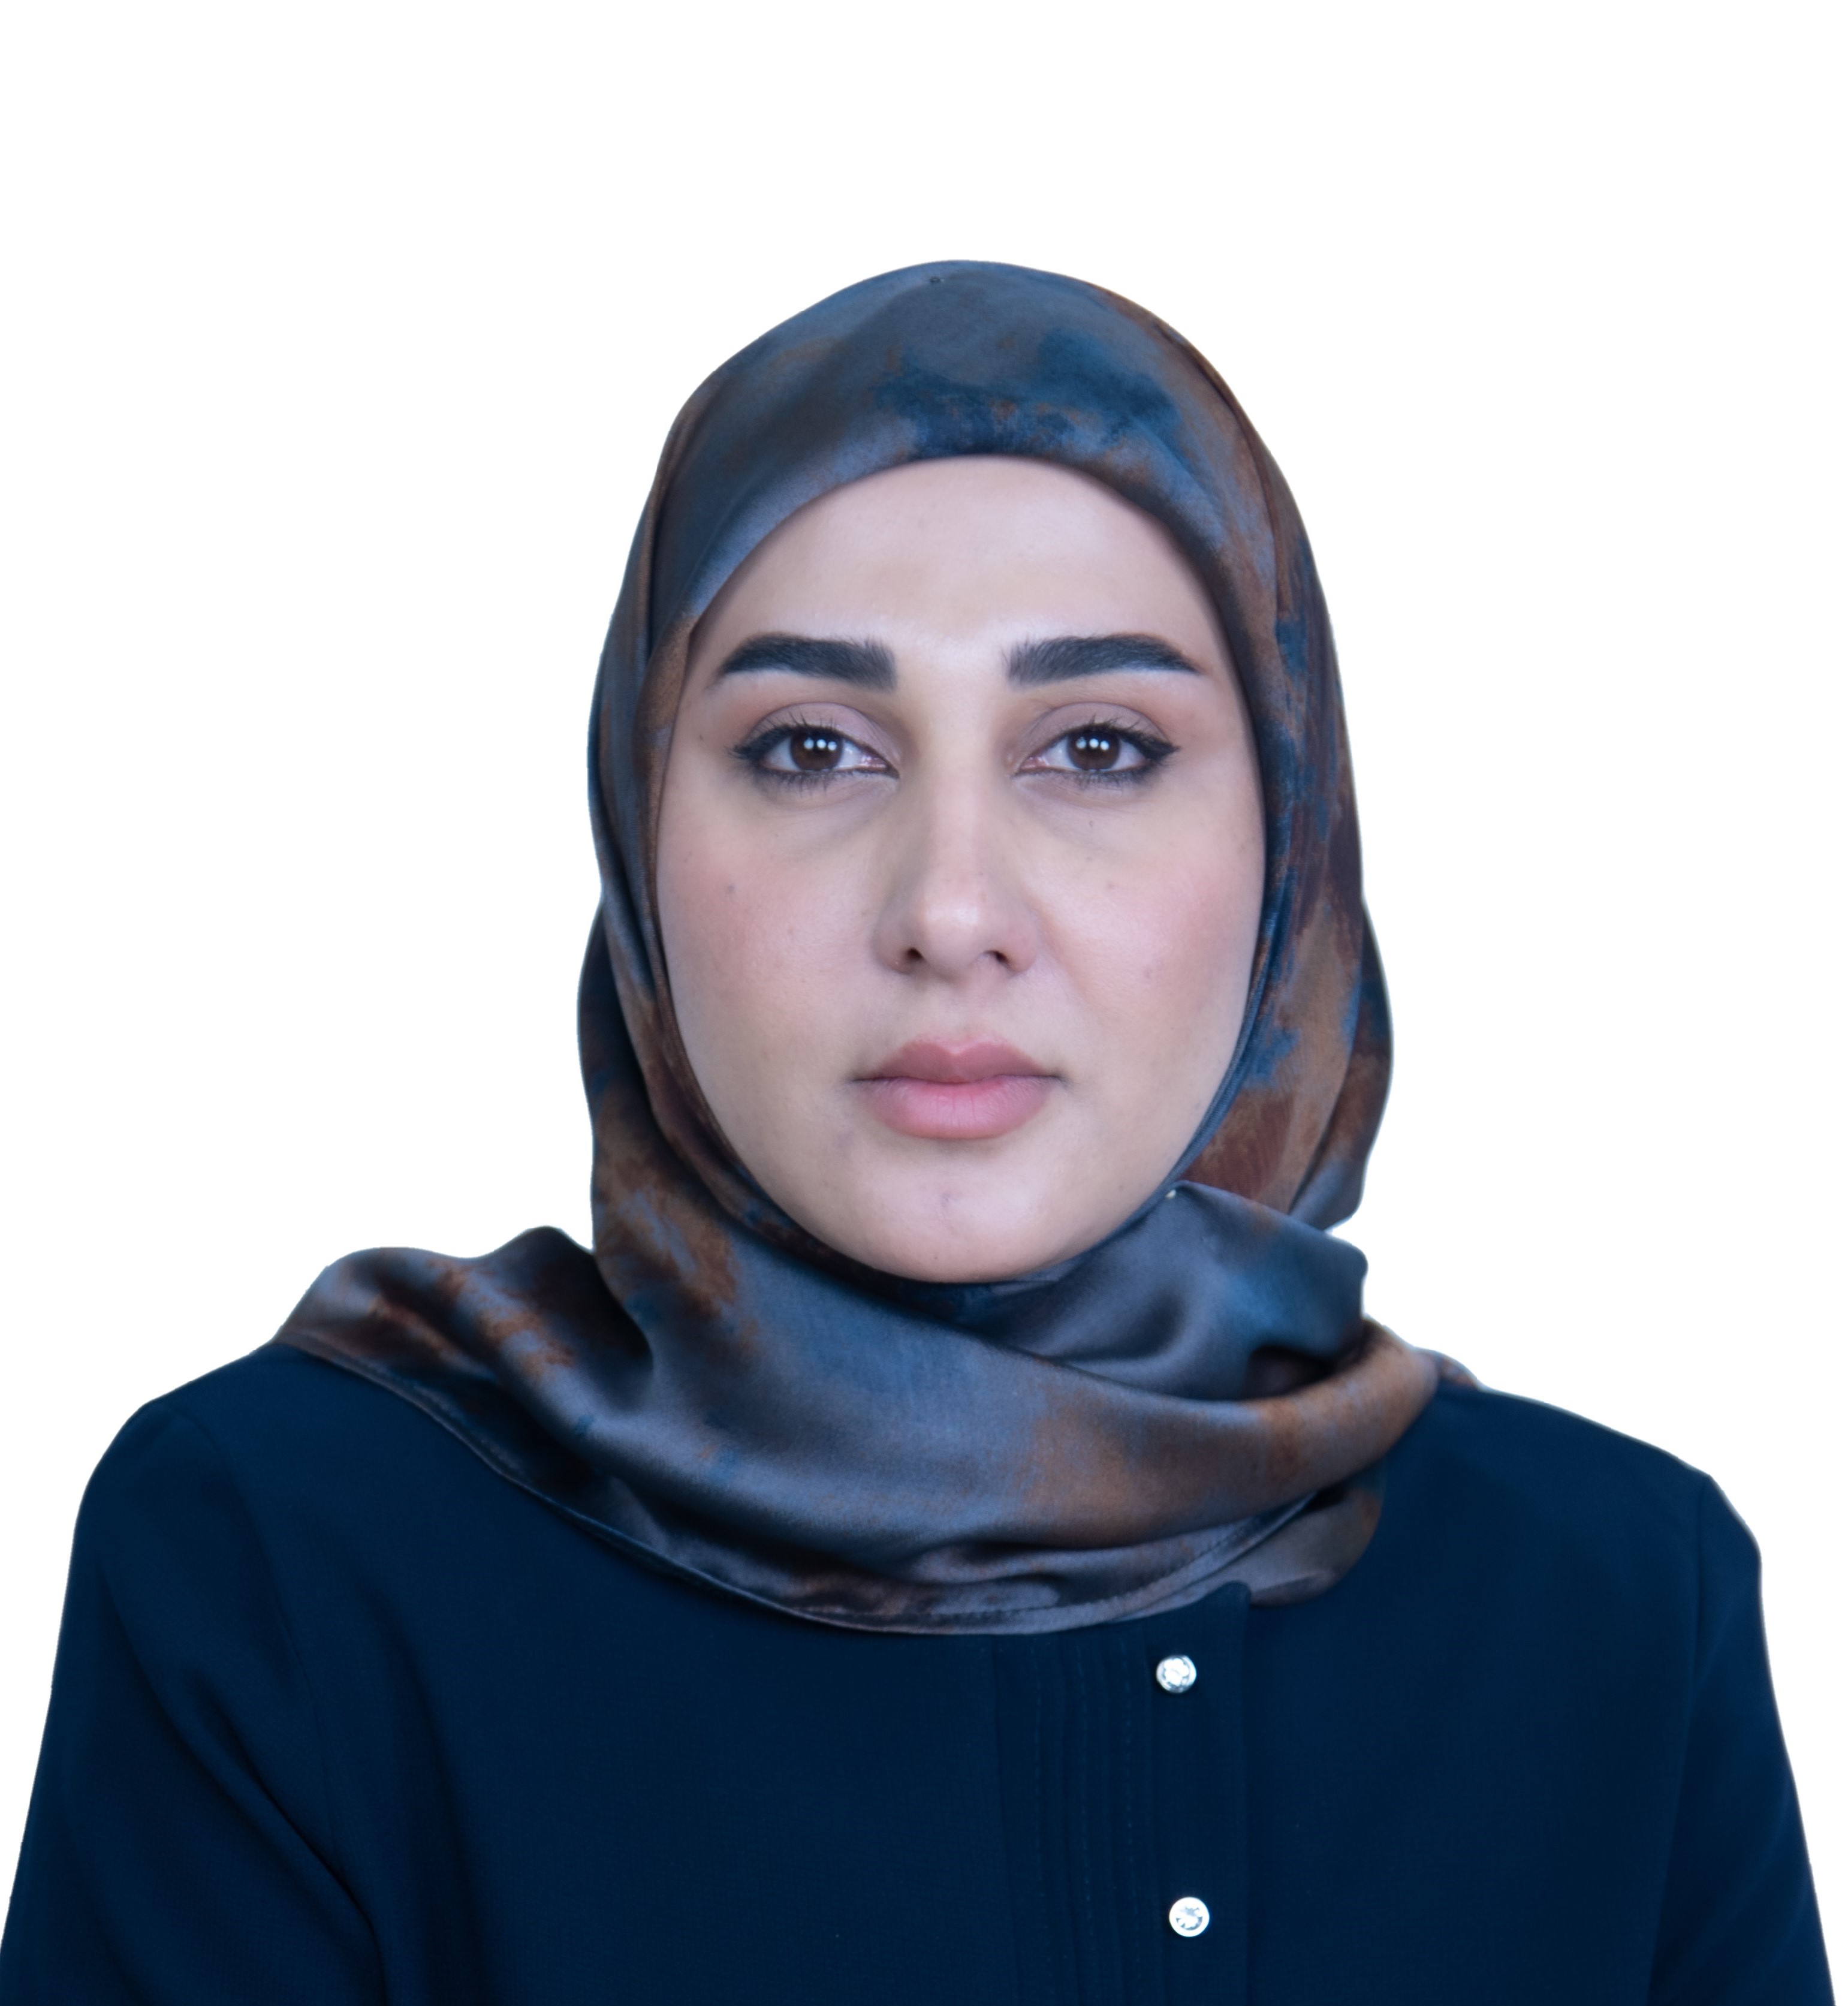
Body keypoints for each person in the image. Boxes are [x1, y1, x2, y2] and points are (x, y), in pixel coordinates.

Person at [0, 261, 1830, 2004]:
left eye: (1097, 747)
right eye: (811, 747)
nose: (950, 909)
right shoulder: (290, 1556)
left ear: (1287, 849)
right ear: (639, 839)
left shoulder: (1607, 1599)